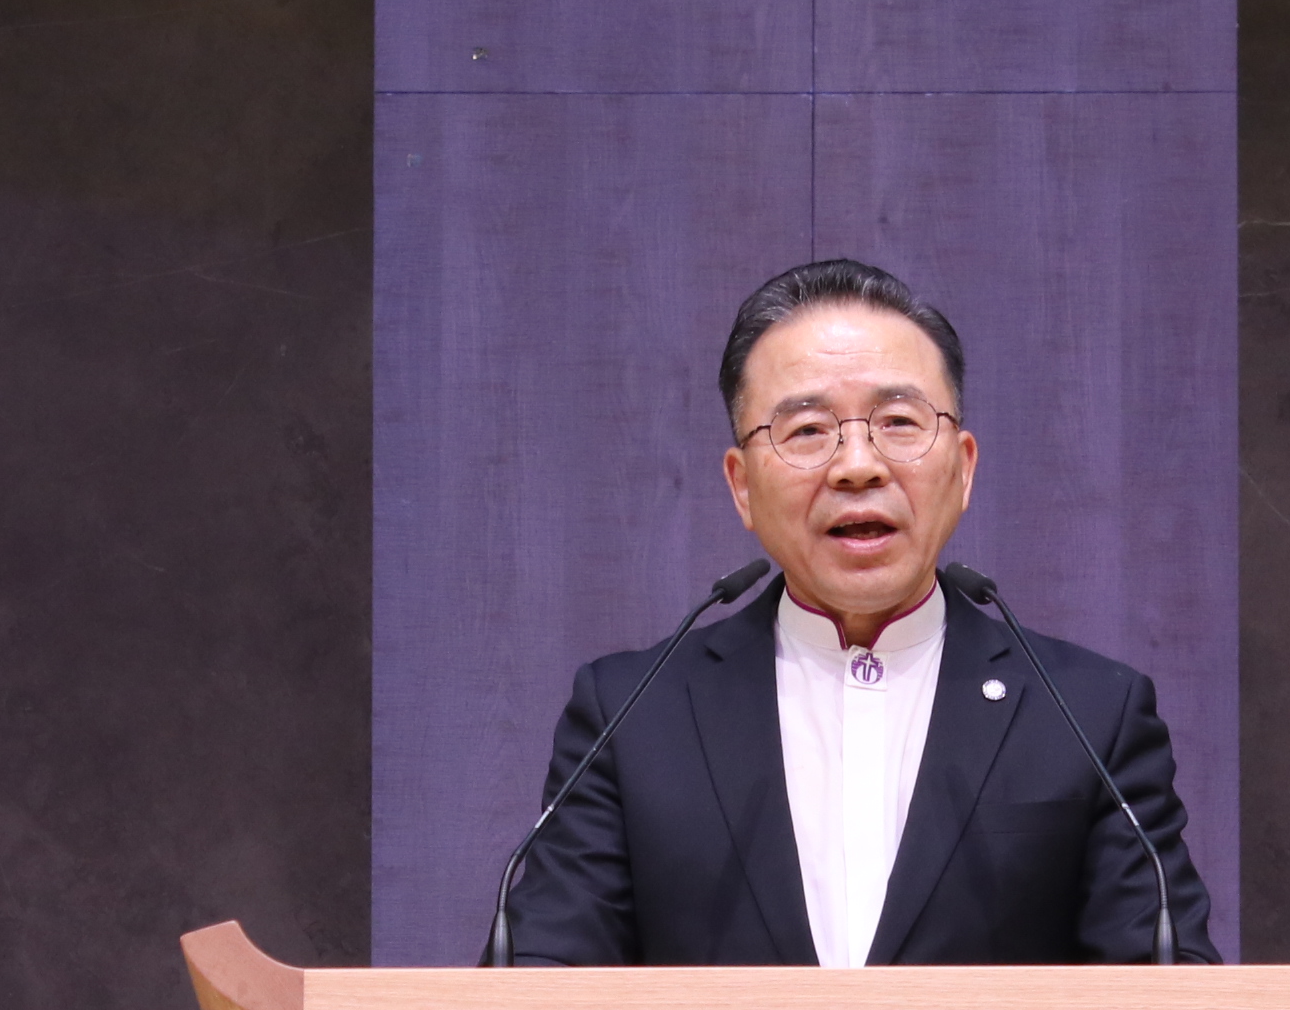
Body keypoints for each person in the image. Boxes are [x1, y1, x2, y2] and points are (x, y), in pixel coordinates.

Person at [495, 259, 1220, 966]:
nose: (857, 466)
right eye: (807, 431)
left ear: (963, 468)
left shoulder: (1088, 716)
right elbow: (536, 990)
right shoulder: (632, 717)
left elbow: (1172, 994)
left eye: (899, 421)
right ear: (742, 486)